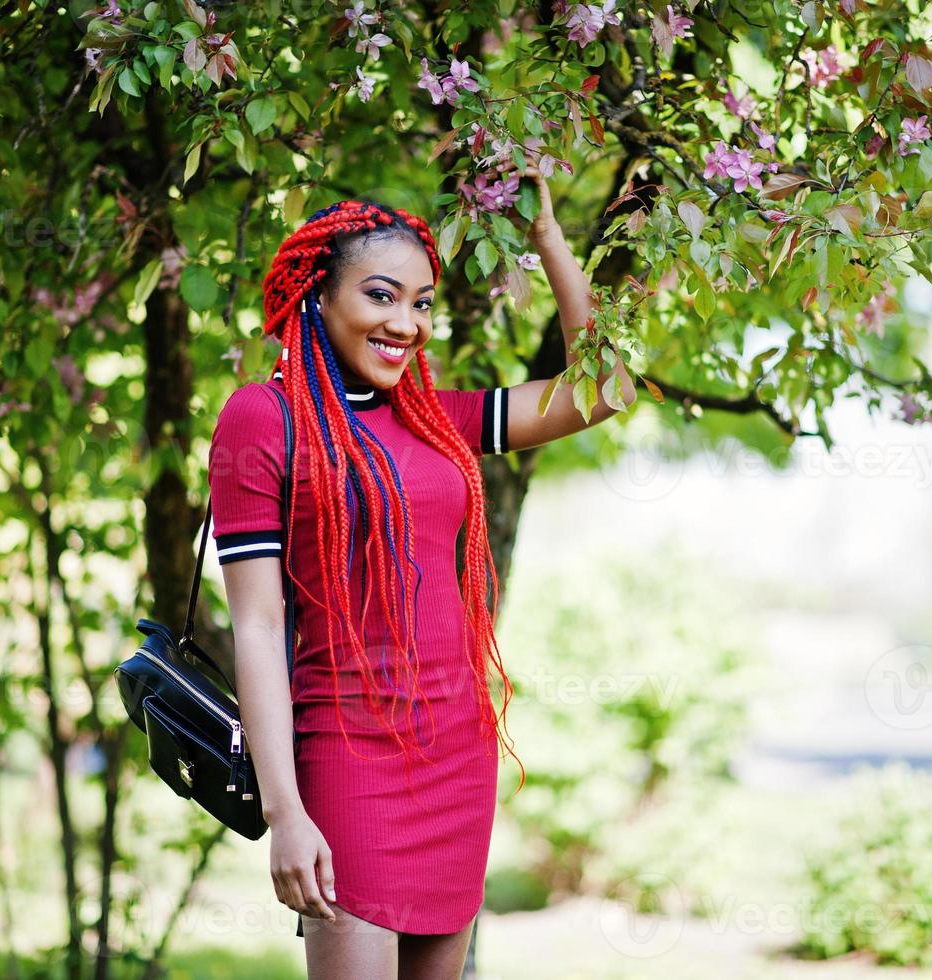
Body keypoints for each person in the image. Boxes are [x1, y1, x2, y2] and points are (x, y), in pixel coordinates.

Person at [207, 167, 636, 980]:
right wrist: (285, 811)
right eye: (380, 296)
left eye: (421, 302)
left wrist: (546, 237)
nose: (405, 323)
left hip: (455, 757)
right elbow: (257, 626)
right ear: (315, 296)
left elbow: (603, 388)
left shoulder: (434, 419)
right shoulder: (262, 420)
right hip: (346, 759)